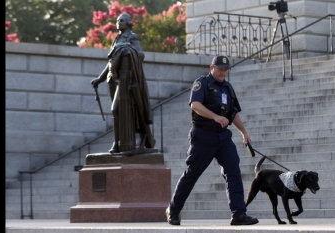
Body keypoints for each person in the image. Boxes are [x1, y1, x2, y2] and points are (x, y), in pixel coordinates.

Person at [165, 55, 259, 225]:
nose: (223, 72)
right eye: (220, 69)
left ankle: (238, 213)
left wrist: (243, 132)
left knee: (233, 172)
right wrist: (215, 117)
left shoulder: (228, 88)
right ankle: (173, 210)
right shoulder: (202, 83)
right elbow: (195, 104)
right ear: (212, 68)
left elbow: (233, 113)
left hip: (223, 137)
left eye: (226, 69)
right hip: (203, 135)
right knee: (192, 173)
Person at [90, 13, 155, 153]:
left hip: (127, 80)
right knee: (118, 112)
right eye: (117, 20)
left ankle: (135, 139)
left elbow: (140, 54)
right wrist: (99, 79)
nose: (118, 23)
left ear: (128, 22)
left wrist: (128, 49)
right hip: (114, 79)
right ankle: (117, 144)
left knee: (116, 109)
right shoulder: (117, 38)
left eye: (122, 20)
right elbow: (111, 62)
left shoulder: (132, 36)